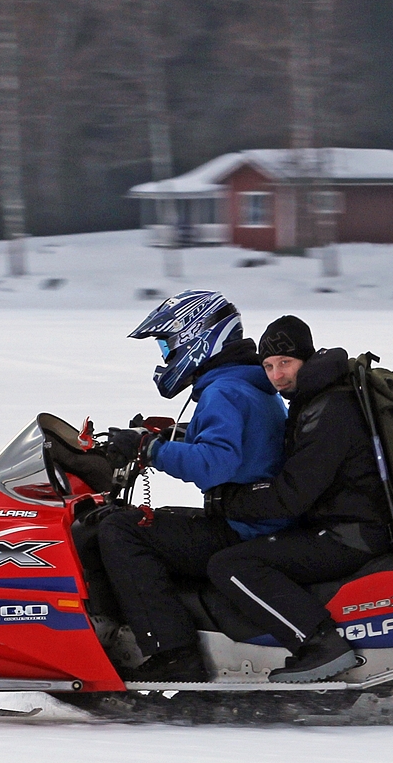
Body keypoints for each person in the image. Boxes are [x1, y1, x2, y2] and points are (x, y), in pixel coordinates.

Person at [95, 290, 290, 683]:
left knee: (121, 530)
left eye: (167, 343)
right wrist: (167, 437)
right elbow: (237, 447)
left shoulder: (224, 392)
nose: (165, 357)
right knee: (156, 523)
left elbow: (214, 464)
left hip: (245, 529)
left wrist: (149, 449)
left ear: (198, 335)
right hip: (256, 519)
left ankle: (174, 653)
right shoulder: (243, 383)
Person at [205, 316, 392, 683]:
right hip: (345, 526)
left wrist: (229, 502)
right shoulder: (316, 399)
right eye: (268, 366)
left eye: (285, 363)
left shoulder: (330, 410)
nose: (277, 376)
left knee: (231, 564)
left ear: (306, 359)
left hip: (349, 536)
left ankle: (319, 643)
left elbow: (292, 495)